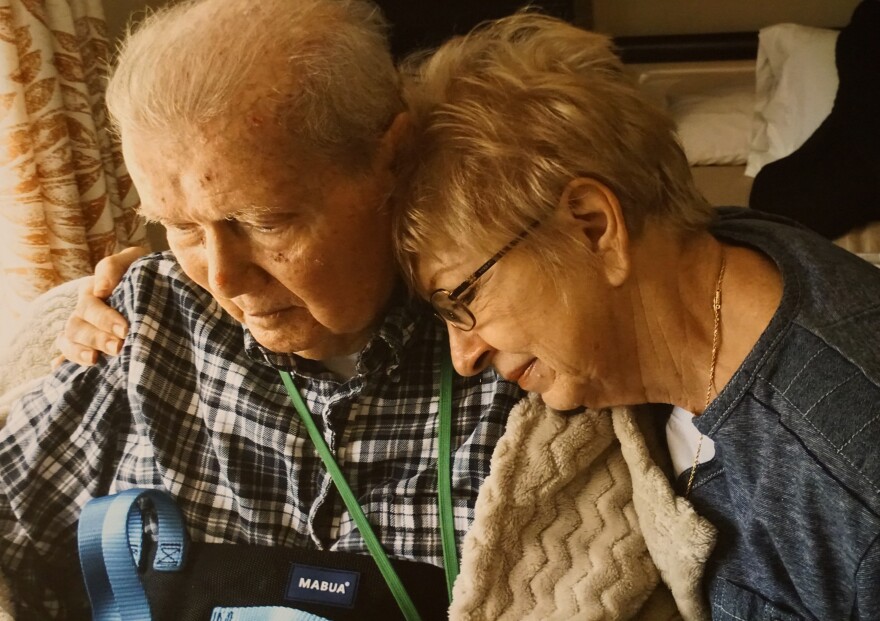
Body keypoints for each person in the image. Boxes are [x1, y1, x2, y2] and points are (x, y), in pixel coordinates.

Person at [0, 2, 716, 620]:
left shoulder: (524, 350)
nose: (221, 277)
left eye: (264, 220)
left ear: (392, 157)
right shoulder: (148, 319)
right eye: (181, 227)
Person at [391, 12, 880, 620]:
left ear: (593, 227)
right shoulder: (726, 260)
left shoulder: (848, 480)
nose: (464, 358)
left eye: (462, 299)